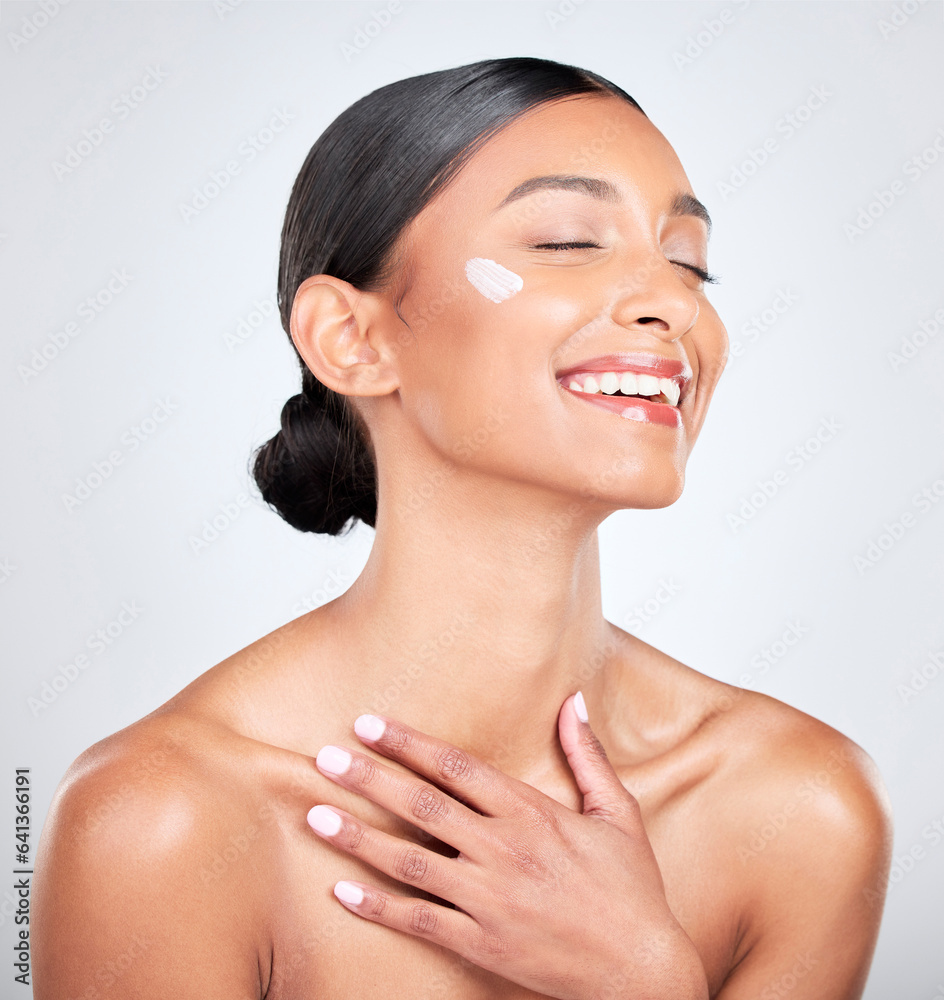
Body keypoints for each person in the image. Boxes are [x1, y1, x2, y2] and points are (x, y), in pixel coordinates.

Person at [32, 56, 892, 999]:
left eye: (689, 259)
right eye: (567, 242)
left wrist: (646, 979)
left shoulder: (802, 808)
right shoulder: (162, 824)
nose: (676, 303)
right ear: (351, 341)